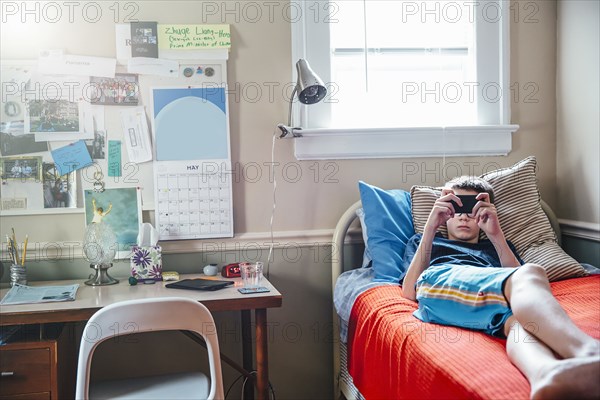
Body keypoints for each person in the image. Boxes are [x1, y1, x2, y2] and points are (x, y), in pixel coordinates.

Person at [402, 176, 599, 399]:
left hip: (488, 297)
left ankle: (545, 372)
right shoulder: (426, 242)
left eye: (471, 209)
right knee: (532, 272)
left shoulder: (497, 245)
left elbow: (520, 287)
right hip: (442, 280)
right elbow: (410, 292)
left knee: (518, 322)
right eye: (456, 208)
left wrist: (496, 235)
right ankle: (589, 351)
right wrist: (430, 227)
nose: (464, 215)